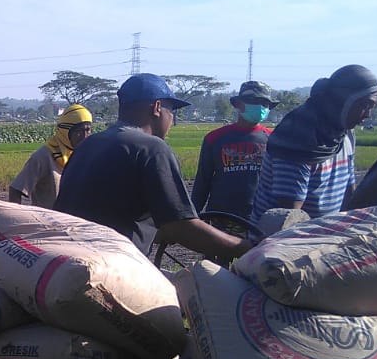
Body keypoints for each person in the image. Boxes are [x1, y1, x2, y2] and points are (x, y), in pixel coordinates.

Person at [54, 73, 250, 262]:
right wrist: (245, 247)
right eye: (171, 111)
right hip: (113, 266)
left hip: (66, 258)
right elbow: (181, 227)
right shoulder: (152, 149)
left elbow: (106, 212)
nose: (172, 120)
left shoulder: (89, 144)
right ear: (157, 108)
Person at [249, 64, 377, 221]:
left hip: (325, 231)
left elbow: (348, 190)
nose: (368, 114)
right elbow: (289, 218)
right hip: (283, 234)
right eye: (364, 105)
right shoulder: (297, 140)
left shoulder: (345, 134)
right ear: (342, 101)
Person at [191, 81, 277, 219]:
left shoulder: (274, 140)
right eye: (254, 101)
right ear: (238, 104)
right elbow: (203, 181)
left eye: (265, 104)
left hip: (260, 216)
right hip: (221, 216)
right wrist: (192, 215)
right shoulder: (214, 138)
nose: (260, 107)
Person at [8, 103, 93, 207]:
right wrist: (17, 215)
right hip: (47, 216)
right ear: (66, 131)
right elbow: (16, 190)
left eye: (88, 130)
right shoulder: (44, 156)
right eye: (79, 131)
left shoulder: (85, 156)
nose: (85, 136)